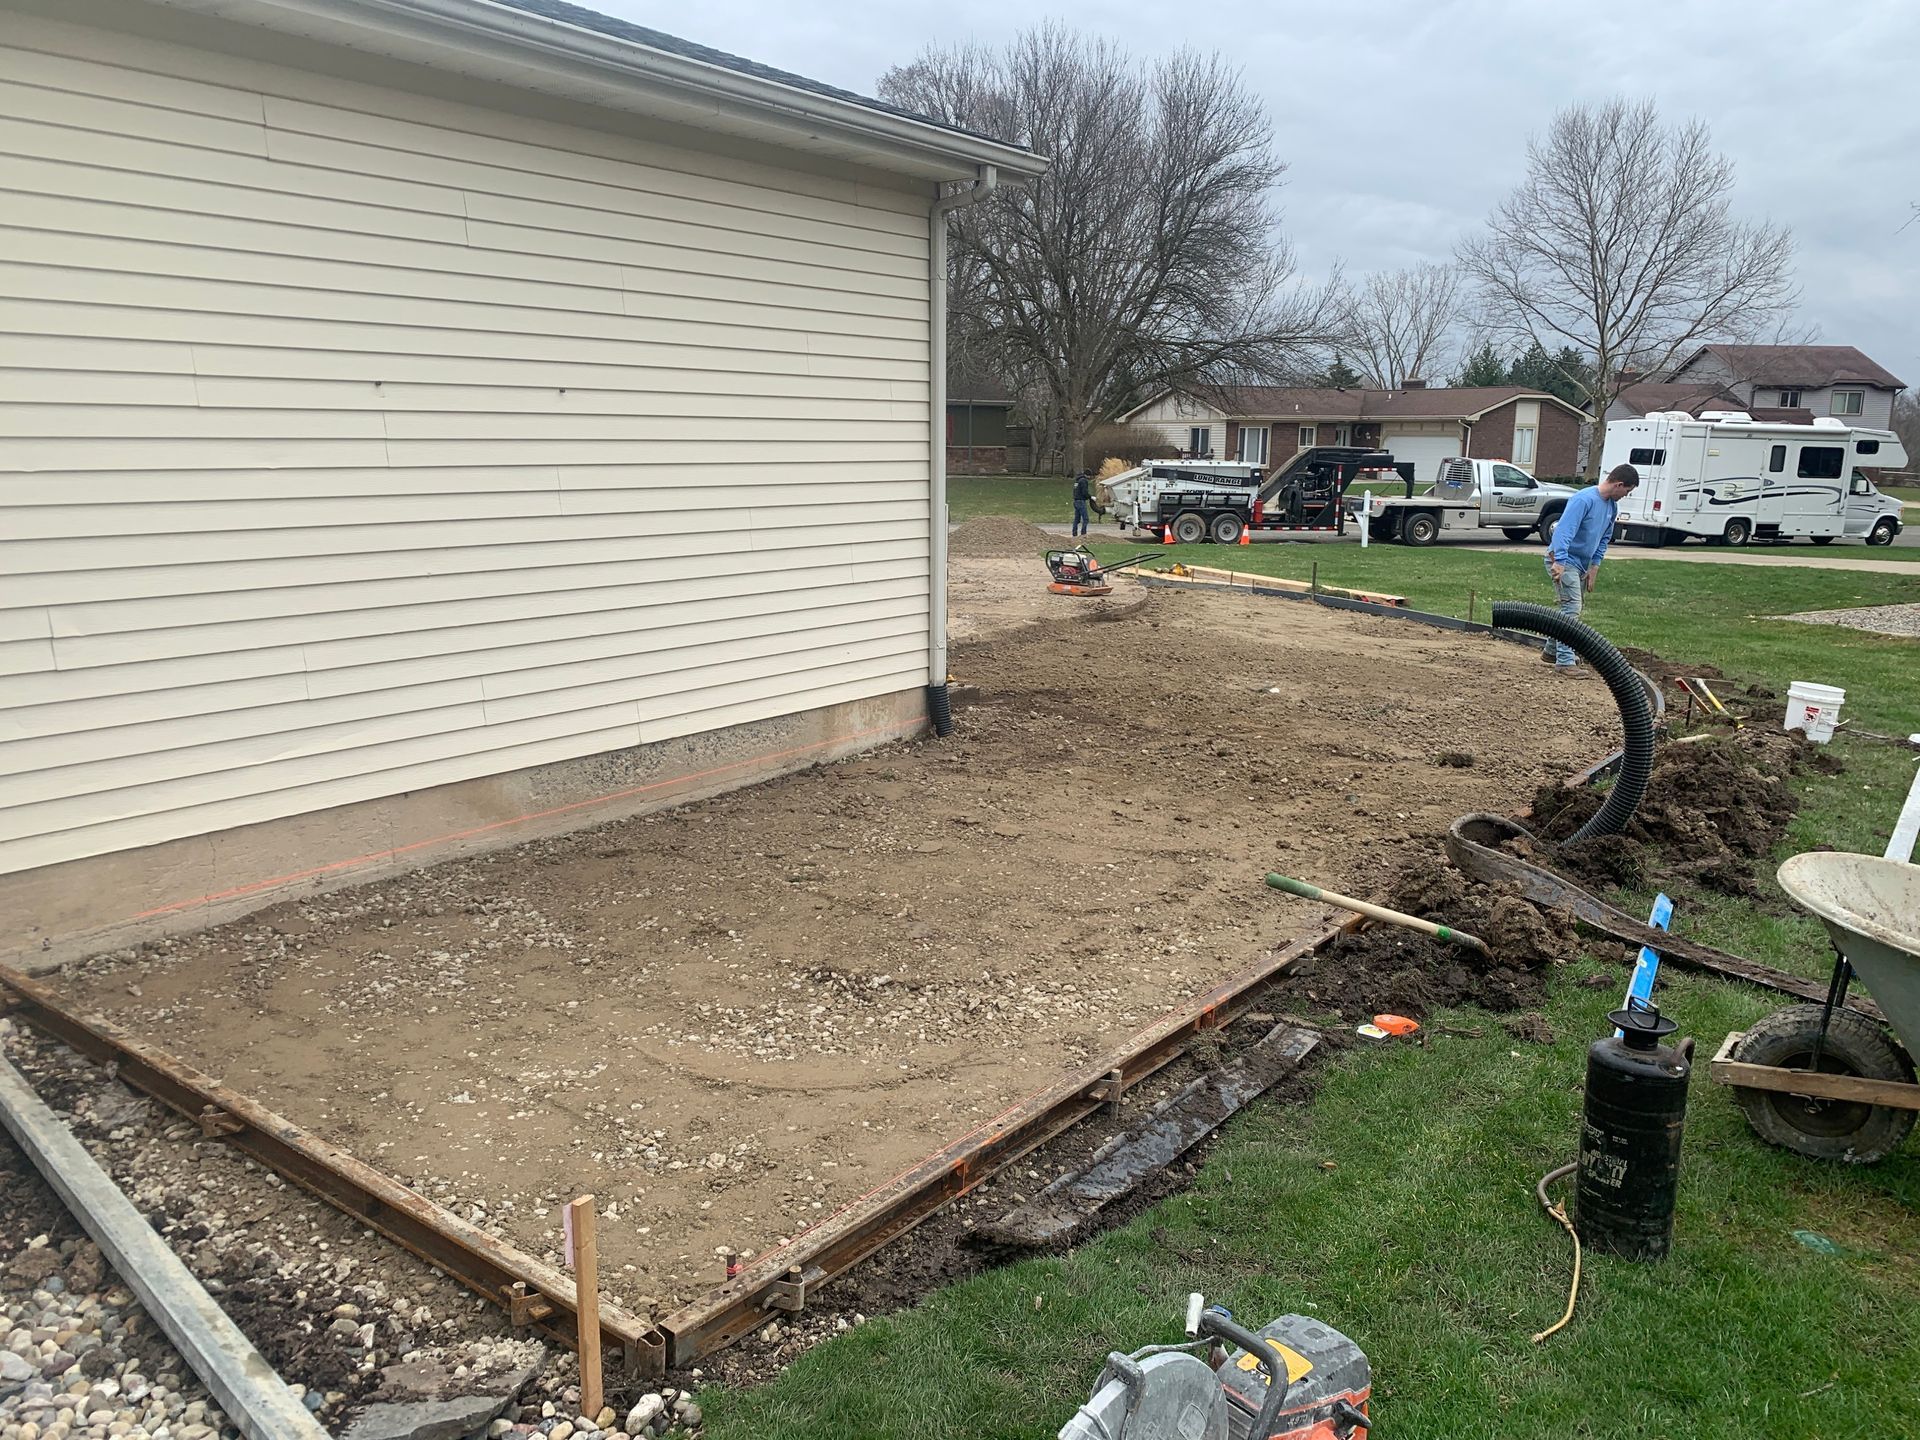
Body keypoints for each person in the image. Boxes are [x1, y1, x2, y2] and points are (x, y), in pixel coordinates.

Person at [1542, 463, 1639, 671]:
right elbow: (1563, 531)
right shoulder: (1583, 499)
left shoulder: (1611, 506)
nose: (1626, 495)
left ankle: (1551, 651)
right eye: (1627, 491)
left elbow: (1604, 537)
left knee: (1569, 608)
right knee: (1572, 608)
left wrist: (1595, 565)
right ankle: (1565, 661)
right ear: (1619, 484)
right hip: (1563, 560)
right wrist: (1559, 561)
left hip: (1579, 564)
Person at [1071, 470, 1093, 537]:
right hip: (1081, 501)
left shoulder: (1077, 480)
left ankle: (1074, 534)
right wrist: (1090, 497)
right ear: (1087, 475)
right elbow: (1084, 492)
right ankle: (1083, 534)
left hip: (1075, 501)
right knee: (1085, 519)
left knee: (1076, 519)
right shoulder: (1084, 481)